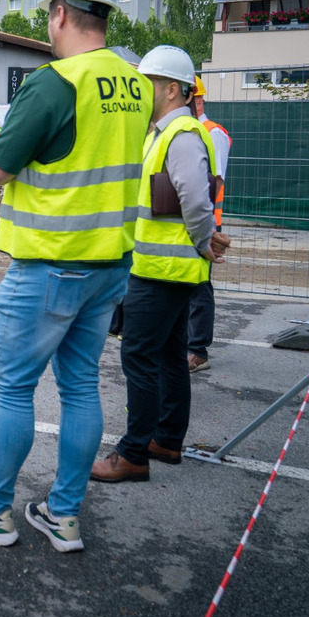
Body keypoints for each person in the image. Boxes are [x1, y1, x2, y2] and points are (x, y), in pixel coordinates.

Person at [0, 0, 152, 551]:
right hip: (111, 266)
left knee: (12, 389)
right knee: (81, 387)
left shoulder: (55, 83)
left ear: (59, 13)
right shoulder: (136, 83)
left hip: (51, 263)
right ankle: (63, 514)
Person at [91, 46, 230, 483]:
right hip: (165, 269)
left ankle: (133, 453)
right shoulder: (163, 132)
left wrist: (207, 240)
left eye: (148, 82)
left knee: (138, 355)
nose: (140, 89)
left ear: (172, 89)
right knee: (170, 355)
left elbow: (194, 196)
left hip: (161, 271)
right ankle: (167, 440)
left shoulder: (182, 134)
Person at [188, 76, 231, 374]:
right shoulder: (189, 130)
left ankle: (198, 351)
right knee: (189, 285)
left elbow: (212, 181)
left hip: (204, 223)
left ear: (197, 99)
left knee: (200, 287)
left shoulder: (212, 133)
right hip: (189, 222)